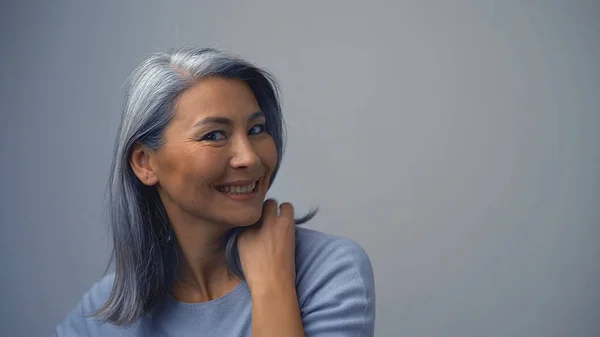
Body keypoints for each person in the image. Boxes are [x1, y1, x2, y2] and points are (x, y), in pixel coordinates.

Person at [54, 46, 376, 337]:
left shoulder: (329, 273)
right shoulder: (103, 312)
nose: (249, 157)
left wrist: (272, 289)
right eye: (214, 135)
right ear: (145, 163)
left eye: (257, 129)